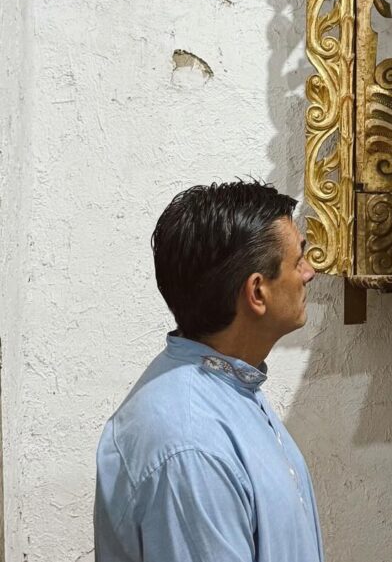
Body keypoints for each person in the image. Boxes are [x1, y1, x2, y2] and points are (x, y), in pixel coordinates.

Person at [94, 181, 321, 562]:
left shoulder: (230, 385)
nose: (309, 272)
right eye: (298, 260)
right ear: (257, 292)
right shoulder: (191, 445)